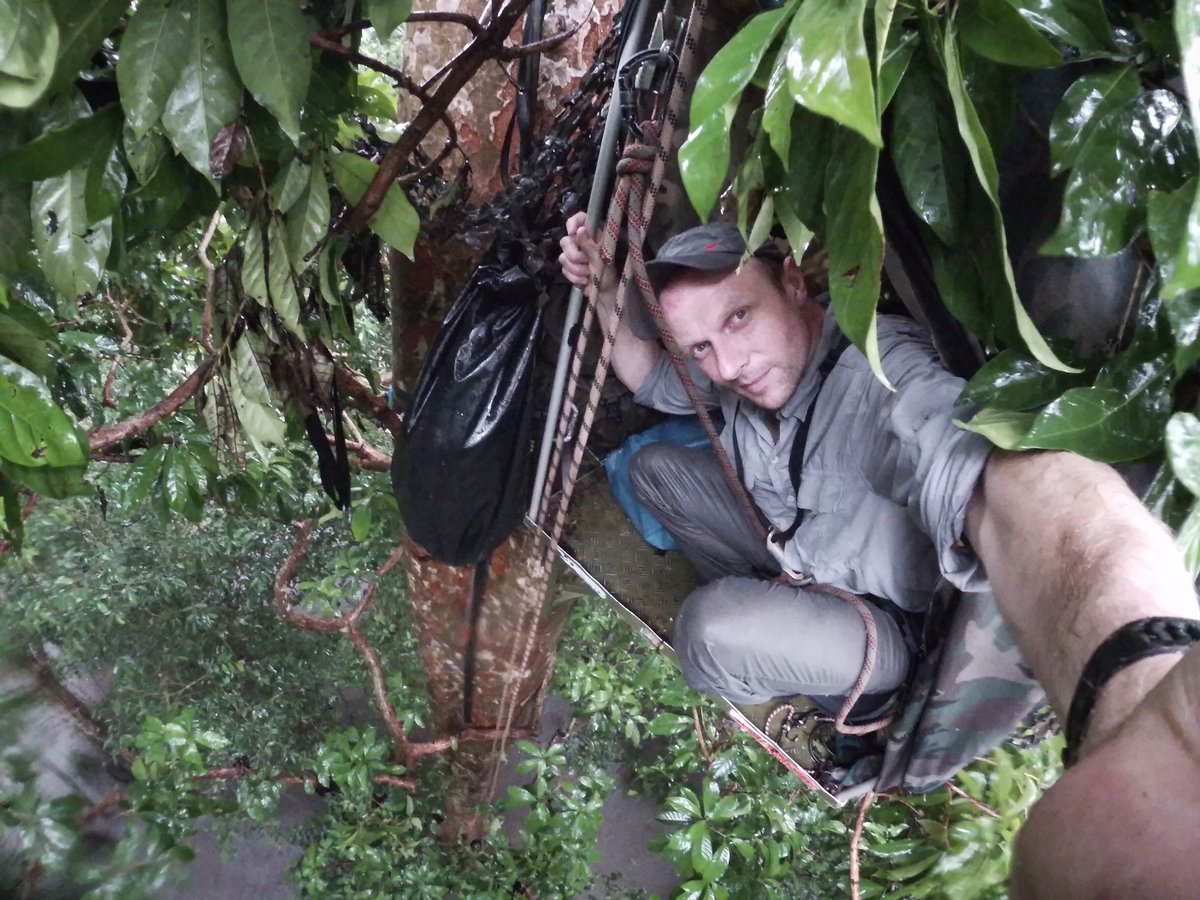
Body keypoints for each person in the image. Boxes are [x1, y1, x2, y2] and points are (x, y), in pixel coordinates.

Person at [560, 210, 1200, 895]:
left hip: (881, 628)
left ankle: (824, 686)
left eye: (739, 318)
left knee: (708, 634)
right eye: (702, 347)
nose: (727, 364)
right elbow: (657, 380)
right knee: (657, 469)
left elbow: (990, 486)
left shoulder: (882, 372)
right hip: (797, 558)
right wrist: (603, 295)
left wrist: (1139, 681)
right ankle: (779, 623)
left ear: (795, 285)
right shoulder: (738, 377)